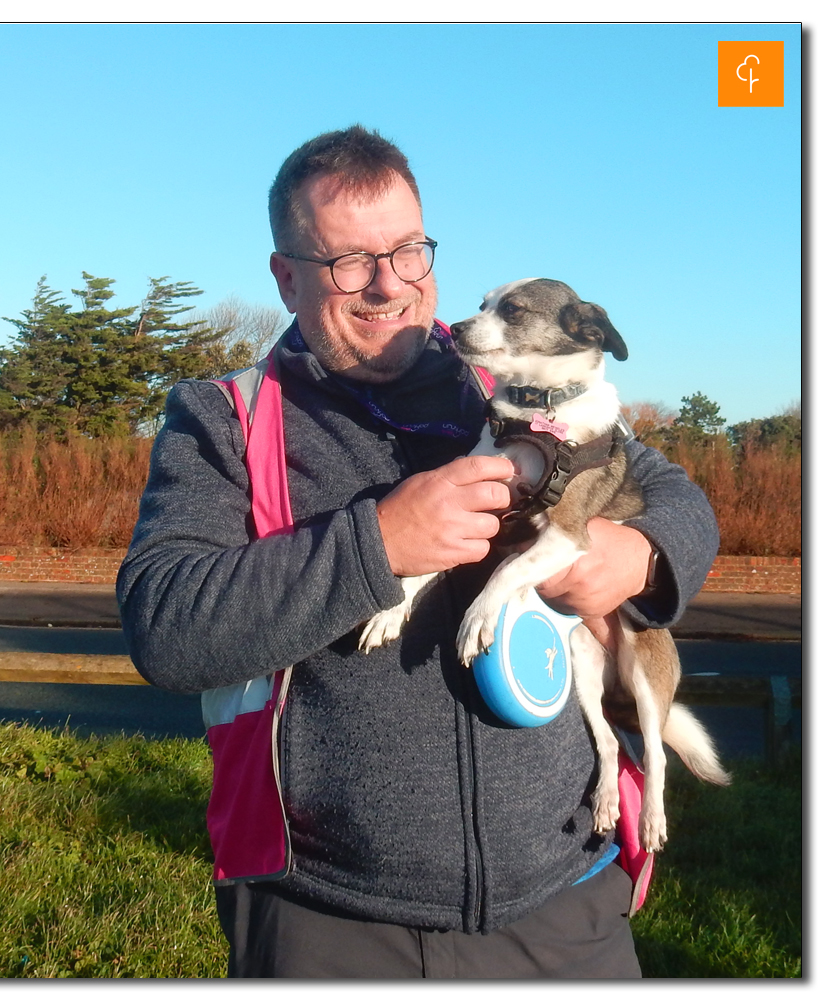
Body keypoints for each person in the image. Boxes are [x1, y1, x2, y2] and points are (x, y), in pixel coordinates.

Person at [117, 125, 719, 978]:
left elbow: (678, 498)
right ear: (286, 279)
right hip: (325, 916)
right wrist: (376, 544)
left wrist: (645, 554)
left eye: (408, 249)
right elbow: (166, 626)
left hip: (565, 899)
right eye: (349, 262)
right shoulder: (225, 418)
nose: (389, 284)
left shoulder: (516, 386)